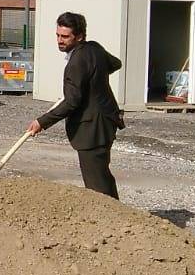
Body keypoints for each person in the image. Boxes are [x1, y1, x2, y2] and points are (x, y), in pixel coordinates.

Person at [26, 11, 124, 199]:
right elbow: (115, 64)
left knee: (97, 185)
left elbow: (72, 101)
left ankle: (109, 220)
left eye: (65, 36)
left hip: (92, 128)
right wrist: (95, 79)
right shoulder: (94, 48)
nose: (60, 41)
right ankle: (116, 216)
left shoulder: (76, 62)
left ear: (79, 36)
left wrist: (41, 122)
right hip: (105, 122)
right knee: (102, 175)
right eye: (57, 35)